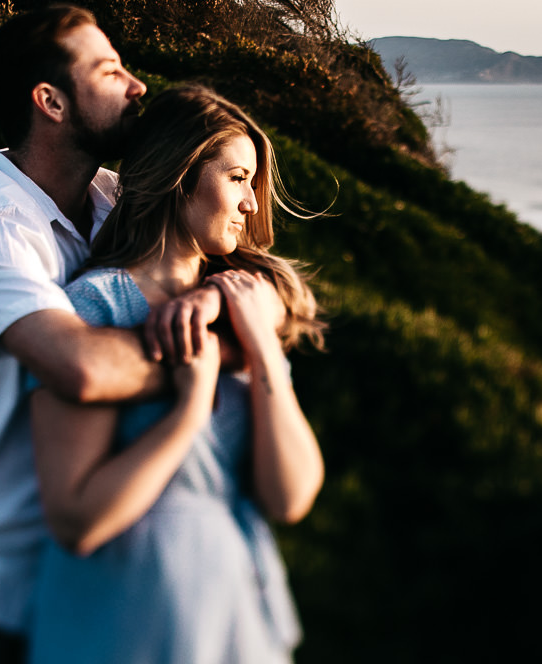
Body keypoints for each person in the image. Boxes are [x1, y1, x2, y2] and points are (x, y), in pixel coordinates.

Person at [0, 5, 229, 664]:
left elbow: (235, 263)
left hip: (86, 569)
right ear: (51, 102)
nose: (137, 86)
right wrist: (201, 360)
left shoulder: (111, 199)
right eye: (109, 71)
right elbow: (82, 369)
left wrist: (225, 301)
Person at [26, 84, 325, 664]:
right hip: (128, 617)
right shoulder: (94, 310)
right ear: (179, 171)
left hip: (237, 611)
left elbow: (289, 497)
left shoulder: (246, 308)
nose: (252, 205)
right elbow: (78, 522)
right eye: (238, 179)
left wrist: (262, 346)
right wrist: (189, 411)